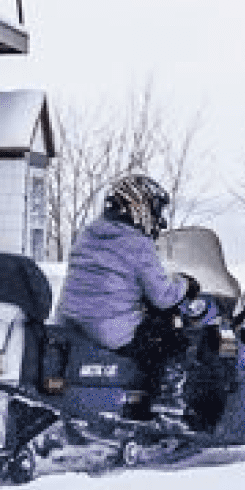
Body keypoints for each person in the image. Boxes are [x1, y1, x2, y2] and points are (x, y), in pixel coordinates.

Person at [55, 173, 200, 417]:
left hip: (72, 320)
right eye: (155, 209)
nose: (158, 218)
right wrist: (186, 285)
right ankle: (162, 401)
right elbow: (163, 296)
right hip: (108, 327)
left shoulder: (88, 233)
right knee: (169, 338)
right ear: (138, 207)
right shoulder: (137, 243)